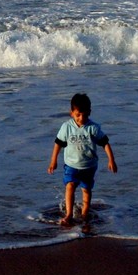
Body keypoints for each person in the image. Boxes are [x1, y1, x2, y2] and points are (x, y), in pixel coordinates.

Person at [47, 93, 118, 228]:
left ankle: (85, 213)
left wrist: (111, 160)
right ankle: (69, 215)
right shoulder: (66, 127)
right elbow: (58, 144)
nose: (81, 118)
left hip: (89, 166)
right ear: (72, 113)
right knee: (70, 186)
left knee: (86, 190)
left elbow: (105, 143)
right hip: (71, 165)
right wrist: (53, 161)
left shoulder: (93, 128)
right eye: (78, 114)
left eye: (85, 115)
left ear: (89, 113)